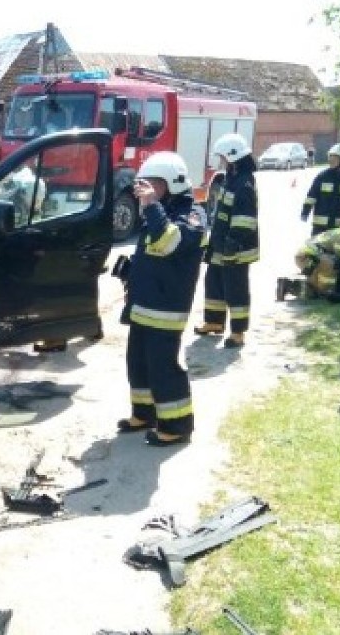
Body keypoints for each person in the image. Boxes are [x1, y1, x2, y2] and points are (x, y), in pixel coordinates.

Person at [116, 152, 207, 446]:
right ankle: (145, 413)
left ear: (173, 183)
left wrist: (152, 206)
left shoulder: (192, 215)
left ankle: (177, 425)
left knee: (163, 367)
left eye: (153, 184)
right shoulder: (156, 211)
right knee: (138, 363)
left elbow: (169, 243)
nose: (146, 190)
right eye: (145, 184)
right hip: (144, 306)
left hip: (166, 310)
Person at [194, 133, 260, 349]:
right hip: (221, 243)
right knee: (214, 283)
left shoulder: (244, 183)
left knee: (236, 288)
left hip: (236, 247)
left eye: (224, 157)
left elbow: (245, 219)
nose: (222, 161)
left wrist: (232, 243)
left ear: (234, 158)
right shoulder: (231, 178)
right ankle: (214, 322)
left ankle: (238, 332)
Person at [276, 219, 340, 303]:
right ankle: (288, 286)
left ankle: (313, 286)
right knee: (326, 292)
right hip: (306, 258)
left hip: (315, 257)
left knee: (337, 281)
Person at [301, 143, 340, 236]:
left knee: (333, 248)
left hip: (337, 224)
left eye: (334, 158)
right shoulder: (322, 176)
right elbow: (311, 196)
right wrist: (305, 212)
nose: (330, 160)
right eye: (330, 157)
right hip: (319, 225)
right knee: (314, 248)